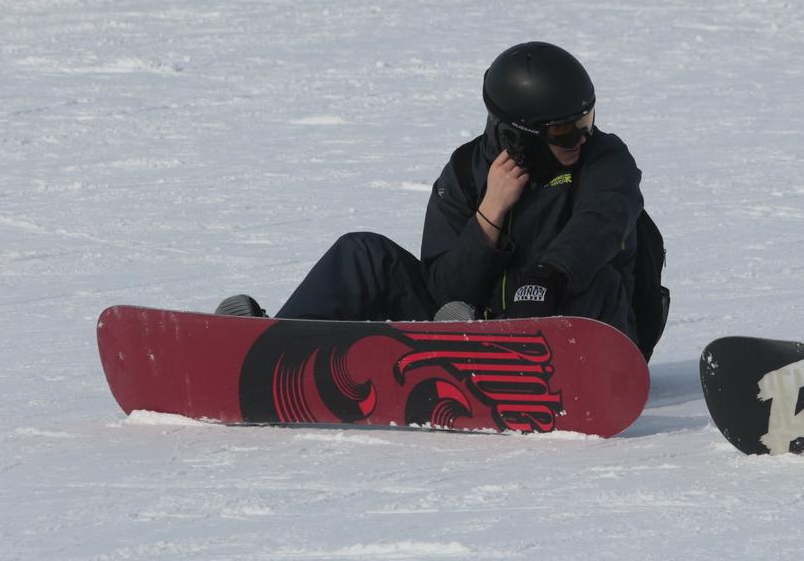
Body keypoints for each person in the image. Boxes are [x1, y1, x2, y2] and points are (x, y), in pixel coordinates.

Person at [218, 41, 656, 351]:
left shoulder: (605, 159)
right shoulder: (467, 171)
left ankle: (483, 344)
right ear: (522, 134)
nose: (582, 136)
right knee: (363, 252)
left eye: (587, 119)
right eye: (564, 131)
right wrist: (489, 216)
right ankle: (271, 347)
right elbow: (445, 288)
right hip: (471, 322)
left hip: (593, 333)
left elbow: (602, 219)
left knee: (594, 273)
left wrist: (550, 275)